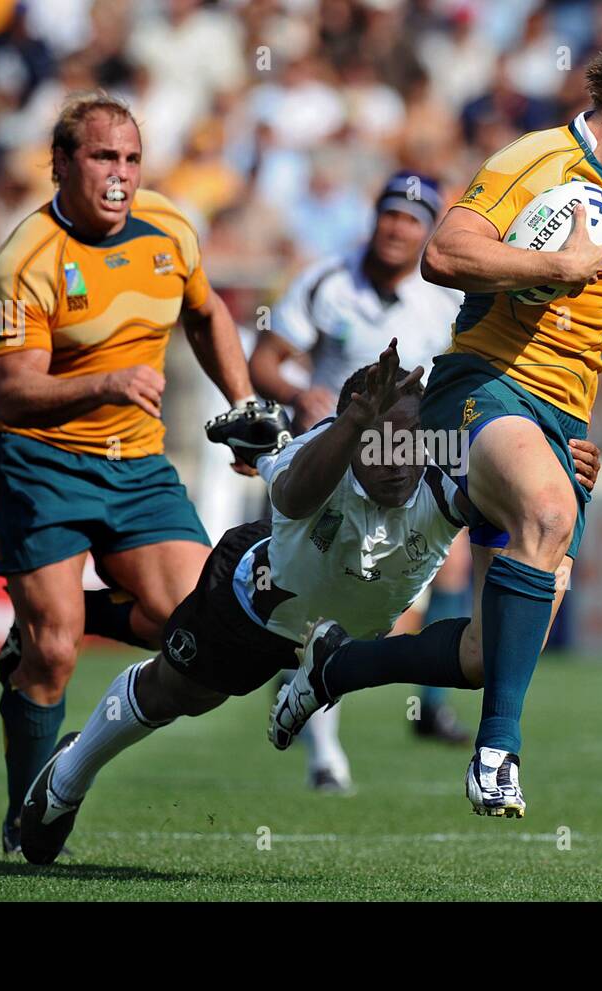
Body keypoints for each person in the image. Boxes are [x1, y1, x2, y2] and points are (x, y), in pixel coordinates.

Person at [280, 34, 602, 819]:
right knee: (550, 510)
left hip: (564, 418)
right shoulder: (534, 161)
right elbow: (445, 251)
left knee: (490, 654)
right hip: (480, 386)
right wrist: (555, 268)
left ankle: (337, 667)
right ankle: (497, 755)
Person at [17, 341, 602, 864]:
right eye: (380, 439)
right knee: (179, 695)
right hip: (253, 606)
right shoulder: (318, 453)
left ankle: (331, 669)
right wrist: (345, 428)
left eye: (412, 438)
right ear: (351, 435)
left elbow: (528, 514)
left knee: (491, 655)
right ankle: (67, 778)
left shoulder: (449, 469)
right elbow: (293, 494)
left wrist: (562, 474)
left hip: (344, 629)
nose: (399, 454)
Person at [0, 92, 264, 854]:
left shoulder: (170, 228)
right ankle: (27, 825)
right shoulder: (24, 260)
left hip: (136, 464)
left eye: (132, 159)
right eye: (105, 157)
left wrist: (244, 403)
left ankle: (63, 617)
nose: (122, 174)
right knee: (54, 654)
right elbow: (14, 390)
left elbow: (207, 314)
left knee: (203, 627)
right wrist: (103, 383)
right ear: (62, 163)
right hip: (42, 461)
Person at [249, 171, 473, 792]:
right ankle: (325, 752)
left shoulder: (447, 299)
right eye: (388, 215)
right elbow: (264, 360)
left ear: (429, 231)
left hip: (405, 468)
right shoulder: (327, 281)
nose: (396, 228)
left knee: (438, 579)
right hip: (328, 464)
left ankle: (427, 708)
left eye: (411, 219)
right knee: (319, 604)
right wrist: (299, 391)